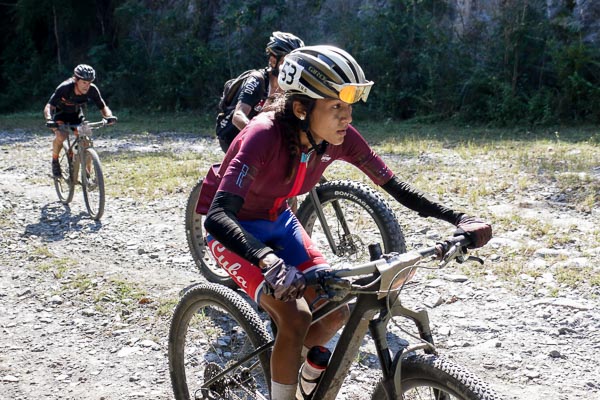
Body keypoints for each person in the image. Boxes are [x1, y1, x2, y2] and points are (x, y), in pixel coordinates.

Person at [203, 45, 493, 400]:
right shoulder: (262, 135)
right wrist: (267, 260)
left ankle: (302, 372)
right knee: (295, 317)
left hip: (279, 218)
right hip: (236, 230)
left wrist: (459, 218)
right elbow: (218, 216)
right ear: (300, 108)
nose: (348, 118)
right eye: (336, 107)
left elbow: (395, 187)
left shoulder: (337, 139)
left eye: (350, 107)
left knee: (336, 310)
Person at [216, 31, 304, 152]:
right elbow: (238, 116)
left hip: (256, 137)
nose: (292, 67)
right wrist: (259, 137)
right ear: (273, 60)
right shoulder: (257, 80)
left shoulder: (289, 87)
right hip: (232, 136)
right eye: (287, 61)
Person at [44, 64, 117, 177]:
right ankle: (55, 161)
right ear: (76, 80)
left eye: (89, 83)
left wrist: (109, 116)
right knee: (61, 136)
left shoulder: (92, 89)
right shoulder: (64, 88)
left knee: (86, 140)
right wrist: (49, 119)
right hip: (60, 115)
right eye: (84, 82)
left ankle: (87, 175)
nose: (86, 86)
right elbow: (49, 106)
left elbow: (102, 106)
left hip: (77, 115)